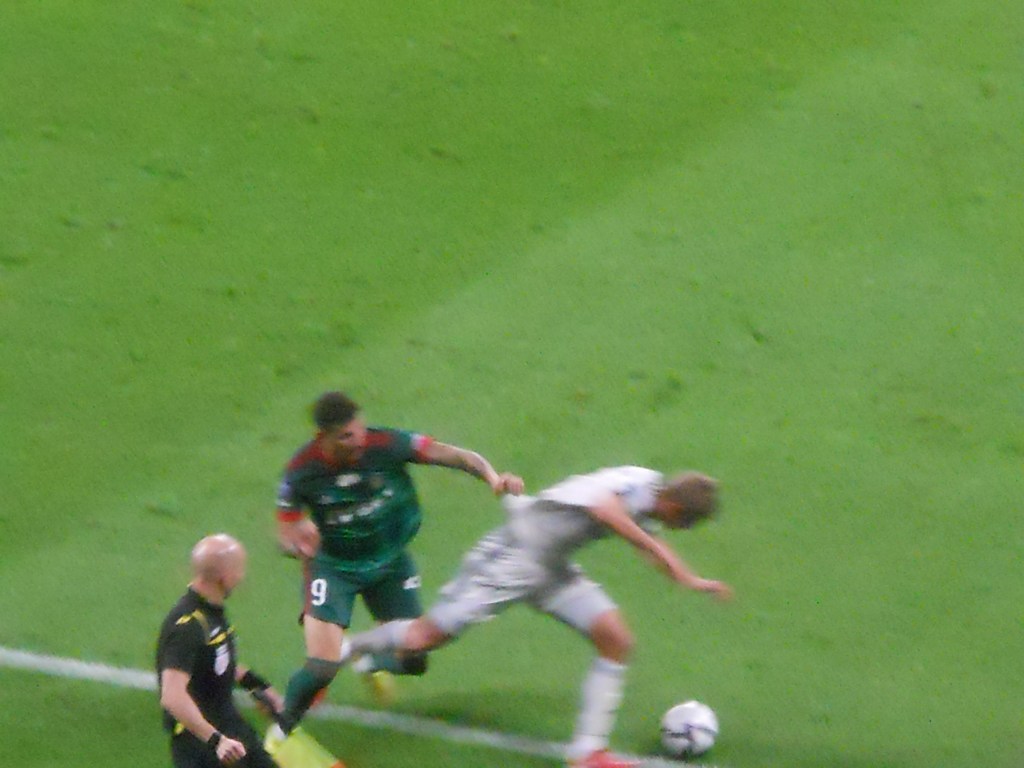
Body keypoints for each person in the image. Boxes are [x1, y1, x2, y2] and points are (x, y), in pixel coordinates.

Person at [339, 465, 733, 768]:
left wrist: (689, 578)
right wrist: (669, 560)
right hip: (512, 557)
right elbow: (604, 509)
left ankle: (588, 752)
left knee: (615, 639)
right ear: (676, 509)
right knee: (423, 638)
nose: (680, 529)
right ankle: (343, 650)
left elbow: (648, 544)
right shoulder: (634, 489)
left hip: (550, 566)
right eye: (685, 523)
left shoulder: (648, 490)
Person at [273, 390, 524, 732]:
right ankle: (279, 732)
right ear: (323, 437)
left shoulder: (385, 444)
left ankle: (365, 660)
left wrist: (493, 478)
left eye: (359, 430)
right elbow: (285, 532)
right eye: (346, 436)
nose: (358, 440)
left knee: (415, 660)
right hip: (334, 568)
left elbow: (454, 456)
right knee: (322, 667)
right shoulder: (301, 471)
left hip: (389, 562)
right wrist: (296, 543)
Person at [156, 534, 285, 767]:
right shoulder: (188, 626)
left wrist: (256, 685)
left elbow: (215, 662)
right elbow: (172, 696)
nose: (242, 577)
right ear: (223, 577)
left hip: (229, 725)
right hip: (201, 743)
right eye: (239, 570)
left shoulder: (211, 613)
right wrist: (217, 741)